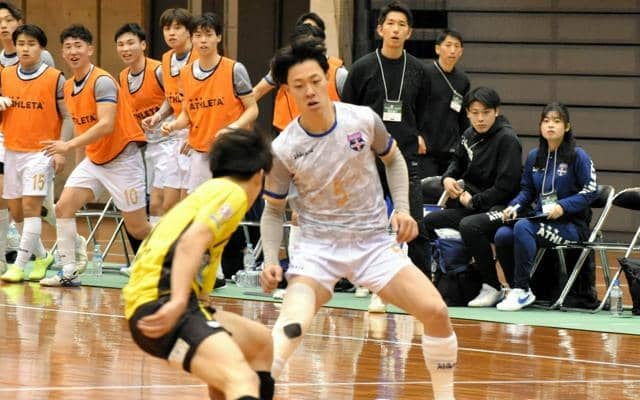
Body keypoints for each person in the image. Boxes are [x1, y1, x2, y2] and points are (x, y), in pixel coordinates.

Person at [260, 37, 457, 400]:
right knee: (291, 326)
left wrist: (402, 208)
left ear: (327, 77)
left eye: (315, 80)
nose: (310, 91)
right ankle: (252, 389)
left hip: (372, 244)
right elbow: (272, 211)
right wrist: (271, 259)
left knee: (436, 311)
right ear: (287, 91)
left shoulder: (362, 119)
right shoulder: (284, 148)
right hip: (318, 249)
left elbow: (394, 160)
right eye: (299, 85)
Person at [123, 128, 275, 400]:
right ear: (259, 175)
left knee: (259, 341)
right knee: (243, 380)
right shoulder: (233, 193)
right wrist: (179, 301)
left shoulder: (208, 193)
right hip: (162, 304)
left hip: (158, 305)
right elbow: (190, 242)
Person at [40, 24, 150, 287]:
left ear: (90, 49)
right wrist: (78, 166)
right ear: (62, 53)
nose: (73, 51)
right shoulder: (69, 87)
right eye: (68, 47)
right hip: (95, 160)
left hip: (123, 159)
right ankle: (69, 270)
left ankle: (181, 245)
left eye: (78, 46)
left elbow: (106, 125)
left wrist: (66, 146)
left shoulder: (102, 81)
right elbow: (82, 128)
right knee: (63, 207)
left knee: (138, 228)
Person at [342, 1, 431, 294]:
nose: (395, 29)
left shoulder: (419, 70)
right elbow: (348, 115)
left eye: (401, 25)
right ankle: (362, 279)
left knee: (415, 224)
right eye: (390, 23)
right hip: (367, 159)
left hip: (404, 158)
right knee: (366, 224)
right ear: (380, 29)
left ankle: (423, 287)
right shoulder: (362, 68)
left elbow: (422, 112)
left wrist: (415, 136)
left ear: (409, 32)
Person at [422, 86, 522, 307]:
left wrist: (474, 201)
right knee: (429, 221)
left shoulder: (508, 140)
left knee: (470, 226)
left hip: (502, 208)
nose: (480, 118)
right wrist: (447, 179)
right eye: (475, 113)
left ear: (496, 111)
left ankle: (493, 286)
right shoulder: (469, 135)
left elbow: (506, 187)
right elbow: (456, 163)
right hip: (473, 207)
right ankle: (447, 276)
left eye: (486, 112)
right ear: (467, 113)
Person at [493, 103, 597, 311]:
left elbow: (591, 191)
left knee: (523, 226)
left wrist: (563, 206)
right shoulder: (535, 156)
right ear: (540, 126)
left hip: (571, 227)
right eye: (546, 121)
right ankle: (518, 288)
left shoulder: (578, 156)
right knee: (503, 235)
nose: (550, 125)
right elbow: (527, 191)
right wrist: (514, 206)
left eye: (557, 121)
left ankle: (522, 290)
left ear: (567, 127)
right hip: (542, 221)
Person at [0, 24, 71, 283]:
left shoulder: (55, 78)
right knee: (16, 211)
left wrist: (61, 148)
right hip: (12, 150)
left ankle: (19, 266)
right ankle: (42, 257)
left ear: (41, 48)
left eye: (31, 44)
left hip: (41, 153)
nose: (25, 49)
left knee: (31, 207)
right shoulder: (6, 74)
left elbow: (68, 116)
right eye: (21, 44)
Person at [161, 12, 258, 193]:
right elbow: (187, 114)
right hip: (200, 152)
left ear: (218, 37)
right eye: (198, 35)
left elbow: (252, 109)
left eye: (208, 35)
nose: (203, 40)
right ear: (191, 39)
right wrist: (173, 125)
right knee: (201, 206)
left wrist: (232, 128)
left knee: (229, 204)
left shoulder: (234, 69)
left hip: (232, 150)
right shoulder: (185, 74)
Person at [115, 22, 177, 226]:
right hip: (150, 146)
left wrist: (158, 116)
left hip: (172, 142)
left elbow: (176, 99)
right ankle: (160, 244)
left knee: (164, 202)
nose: (125, 48)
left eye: (130, 43)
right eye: (121, 44)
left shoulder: (158, 70)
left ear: (143, 45)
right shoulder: (122, 77)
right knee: (154, 205)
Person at [253, 14, 347, 134]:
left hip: (328, 133)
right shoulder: (284, 67)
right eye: (298, 85)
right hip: (287, 131)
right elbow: (256, 92)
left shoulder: (339, 73)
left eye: (316, 81)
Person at [141, 8, 195, 207]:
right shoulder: (166, 58)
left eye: (177, 27)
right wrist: (158, 115)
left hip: (196, 136)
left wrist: (196, 135)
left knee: (188, 203)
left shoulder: (199, 57)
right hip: (175, 135)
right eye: (167, 28)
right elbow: (170, 98)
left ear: (189, 31)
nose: (171, 33)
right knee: (167, 204)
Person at [419, 29, 470, 185]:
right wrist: (415, 135)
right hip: (425, 149)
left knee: (448, 192)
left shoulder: (463, 80)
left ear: (461, 51)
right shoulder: (424, 73)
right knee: (427, 190)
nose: (452, 50)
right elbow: (412, 107)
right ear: (437, 49)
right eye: (448, 45)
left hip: (451, 150)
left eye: (456, 46)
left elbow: (463, 117)